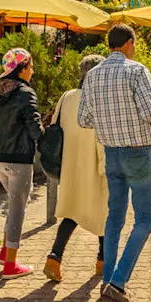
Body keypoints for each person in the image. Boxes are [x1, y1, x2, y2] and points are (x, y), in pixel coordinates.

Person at [78, 25, 151, 302]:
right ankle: (118, 281)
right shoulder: (137, 71)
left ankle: (107, 281)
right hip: (137, 152)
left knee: (115, 218)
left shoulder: (92, 75)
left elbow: (84, 119)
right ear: (128, 43)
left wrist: (109, 121)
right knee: (145, 219)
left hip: (110, 152)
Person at [43, 55, 108, 283]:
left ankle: (55, 257)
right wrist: (106, 167)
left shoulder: (67, 96)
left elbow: (55, 126)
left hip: (70, 165)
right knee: (105, 212)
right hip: (94, 164)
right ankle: (103, 261)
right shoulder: (99, 99)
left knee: (72, 211)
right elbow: (102, 138)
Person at [0, 48, 44, 279]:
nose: (33, 71)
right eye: (30, 67)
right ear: (22, 69)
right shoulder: (25, 93)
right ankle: (10, 265)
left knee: (13, 203)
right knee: (18, 209)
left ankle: (4, 251)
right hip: (19, 160)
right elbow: (35, 130)